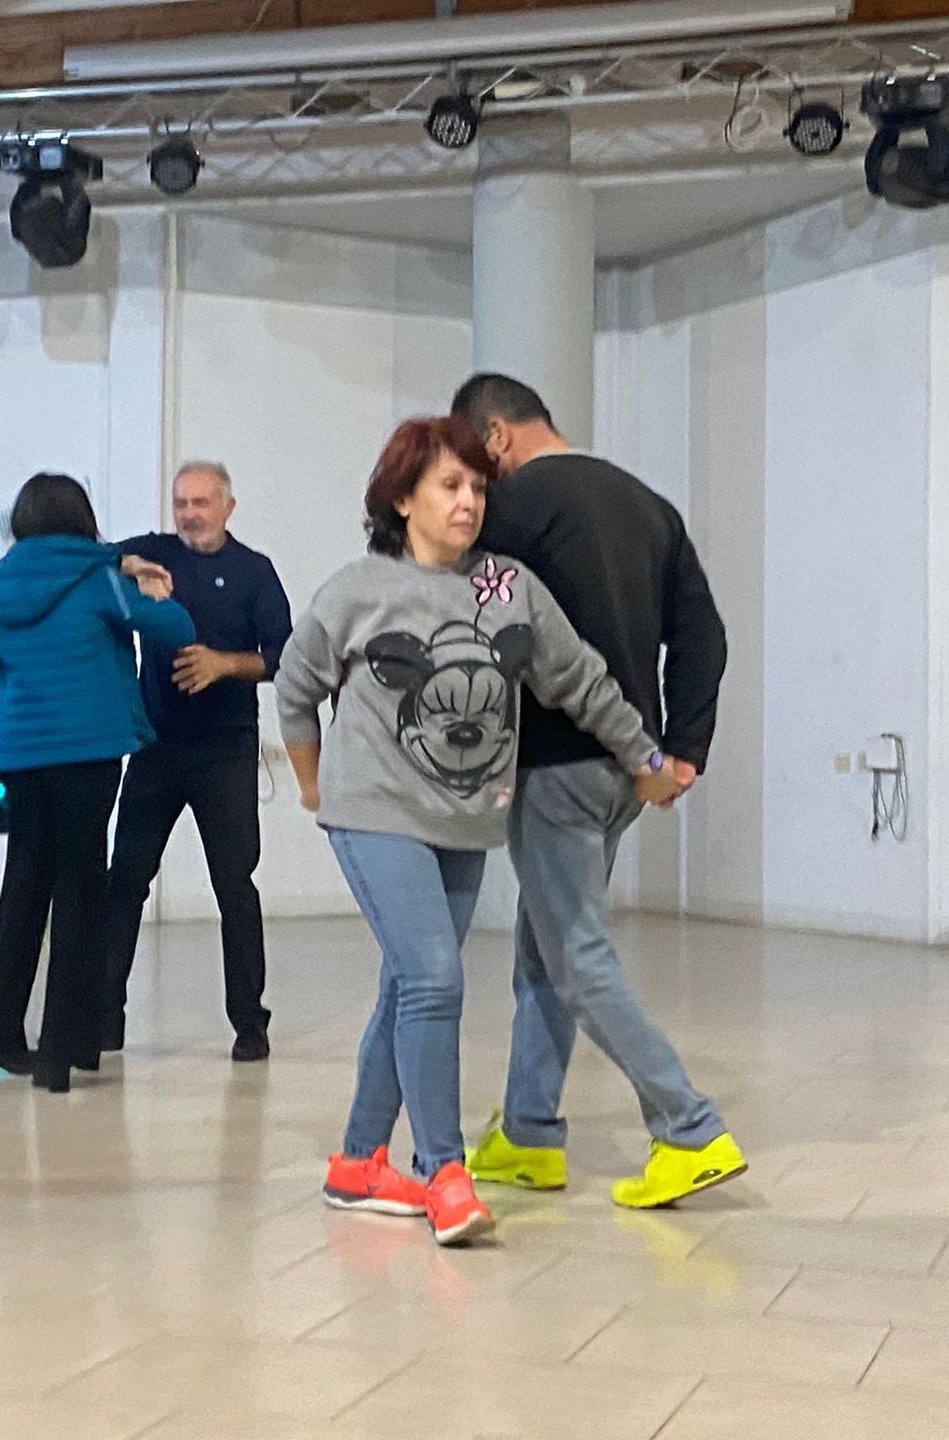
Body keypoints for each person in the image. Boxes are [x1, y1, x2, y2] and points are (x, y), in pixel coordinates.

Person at [274, 416, 679, 1246]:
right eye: (449, 487)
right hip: (373, 812)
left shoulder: (505, 587)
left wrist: (644, 752)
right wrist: (316, 785)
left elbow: (578, 677)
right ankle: (443, 1172)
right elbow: (294, 684)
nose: (469, 502)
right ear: (402, 498)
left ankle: (358, 1162)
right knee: (434, 980)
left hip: (462, 822)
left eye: (477, 488)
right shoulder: (359, 589)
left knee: (406, 986)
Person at [448, 373, 746, 1210]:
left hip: (554, 761)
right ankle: (531, 1133)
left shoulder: (516, 510)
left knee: (575, 953)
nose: (472, 488)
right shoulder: (648, 505)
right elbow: (704, 635)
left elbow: (478, 624)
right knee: (546, 949)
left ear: (498, 436)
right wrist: (682, 752)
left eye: (476, 462)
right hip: (627, 766)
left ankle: (688, 1128)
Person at [0, 473, 193, 1093]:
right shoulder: (101, 583)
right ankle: (63, 1051)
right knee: (82, 891)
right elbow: (177, 632)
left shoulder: (1, 589)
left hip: (16, 758)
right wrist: (154, 592)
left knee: (23, 889)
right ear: (81, 518)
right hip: (86, 756)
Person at [102, 463, 292, 1062]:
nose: (190, 513)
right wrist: (127, 566)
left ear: (228, 507)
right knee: (125, 881)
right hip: (155, 747)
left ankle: (250, 1025)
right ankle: (104, 1018)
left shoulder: (253, 572)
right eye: (181, 502)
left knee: (234, 886)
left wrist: (224, 664)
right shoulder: (154, 553)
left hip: (226, 749)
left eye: (202, 502)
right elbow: (86, 558)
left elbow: (285, 656)